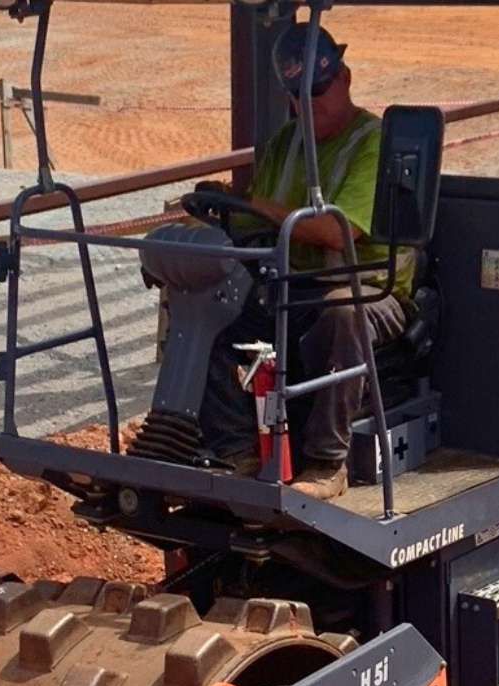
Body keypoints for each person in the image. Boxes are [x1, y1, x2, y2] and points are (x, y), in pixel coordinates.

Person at [199, 22, 415, 501]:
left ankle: (326, 461)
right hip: (294, 282)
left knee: (341, 313)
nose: (308, 106)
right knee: (214, 310)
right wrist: (221, 215)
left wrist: (253, 206)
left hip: (368, 284)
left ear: (345, 78)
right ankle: (235, 450)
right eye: (297, 96)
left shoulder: (373, 143)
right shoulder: (284, 144)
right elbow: (259, 218)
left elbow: (338, 231)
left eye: (318, 91)